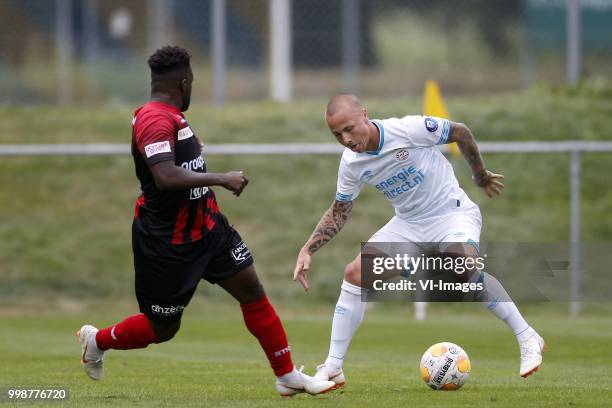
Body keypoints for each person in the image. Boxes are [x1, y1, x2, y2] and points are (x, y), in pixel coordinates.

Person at [76, 46, 335, 397]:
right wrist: (221, 178)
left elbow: (176, 161)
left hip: (210, 229)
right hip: (169, 242)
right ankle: (98, 340)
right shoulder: (155, 118)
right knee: (162, 328)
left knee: (252, 292)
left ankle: (286, 376)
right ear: (183, 82)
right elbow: (165, 176)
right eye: (193, 82)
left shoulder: (171, 117)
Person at [293, 93, 545, 389]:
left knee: (463, 267)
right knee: (354, 274)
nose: (346, 139)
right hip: (409, 225)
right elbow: (340, 211)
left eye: (349, 128)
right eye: (337, 134)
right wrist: (308, 248)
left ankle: (528, 337)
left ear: (364, 114)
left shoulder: (408, 129)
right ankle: (333, 367)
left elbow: (460, 131)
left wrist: (479, 175)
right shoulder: (351, 163)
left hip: (451, 213)